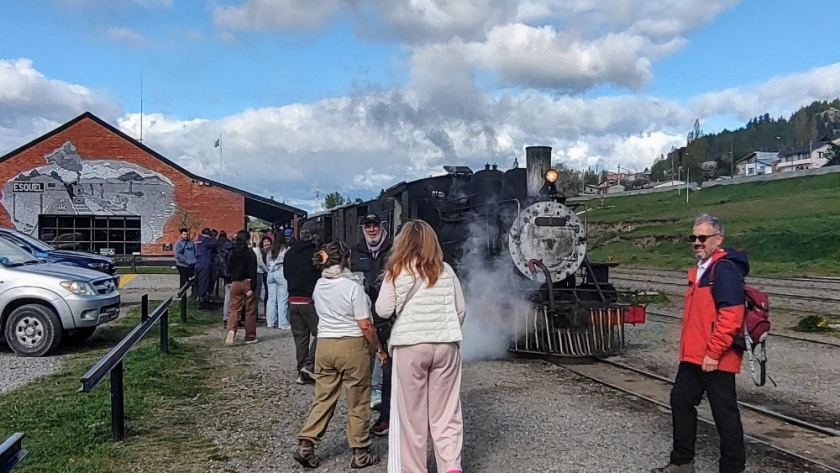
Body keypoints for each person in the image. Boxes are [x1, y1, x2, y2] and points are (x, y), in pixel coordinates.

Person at [652, 213, 747, 473]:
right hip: (694, 356)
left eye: (702, 237)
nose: (697, 242)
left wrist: (714, 352)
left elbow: (732, 317)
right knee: (680, 402)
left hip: (716, 358)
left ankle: (732, 468)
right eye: (693, 237)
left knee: (724, 414)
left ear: (718, 239)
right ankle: (682, 463)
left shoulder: (724, 270)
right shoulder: (699, 270)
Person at [374, 220, 466, 473]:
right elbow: (461, 310)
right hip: (446, 347)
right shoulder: (446, 270)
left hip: (410, 346)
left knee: (411, 416)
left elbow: (382, 310)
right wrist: (445, 331)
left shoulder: (396, 270)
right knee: (447, 412)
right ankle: (451, 467)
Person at [294, 241, 386, 469]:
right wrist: (378, 349)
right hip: (351, 345)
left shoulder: (319, 285)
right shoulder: (353, 287)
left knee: (323, 398)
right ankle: (360, 452)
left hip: (325, 346)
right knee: (358, 400)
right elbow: (365, 324)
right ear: (345, 260)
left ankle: (307, 443)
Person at [350, 213, 393, 432]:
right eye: (368, 226)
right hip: (362, 309)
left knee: (383, 353)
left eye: (375, 225)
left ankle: (379, 396)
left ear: (381, 227)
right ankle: (361, 400)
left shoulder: (392, 249)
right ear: (363, 228)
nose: (372, 229)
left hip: (386, 311)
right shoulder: (355, 251)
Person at [284, 229, 320, 384]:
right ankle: (309, 366)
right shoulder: (315, 254)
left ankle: (301, 371)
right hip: (309, 300)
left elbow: (286, 274)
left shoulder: (289, 253)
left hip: (293, 299)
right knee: (323, 332)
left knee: (300, 338)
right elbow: (319, 274)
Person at [223, 231, 259, 346]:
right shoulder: (250, 253)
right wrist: (253, 287)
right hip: (247, 282)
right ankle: (250, 337)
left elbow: (228, 267)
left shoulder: (232, 253)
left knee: (234, 309)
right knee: (250, 311)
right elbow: (253, 271)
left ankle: (231, 331)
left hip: (235, 283)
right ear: (248, 240)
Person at [265, 235, 290, 329]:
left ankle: (271, 322)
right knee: (282, 299)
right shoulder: (285, 249)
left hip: (270, 274)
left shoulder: (270, 251)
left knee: (271, 299)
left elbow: (267, 263)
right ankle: (283, 323)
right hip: (281, 273)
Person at [194, 228, 219, 305]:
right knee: (204, 282)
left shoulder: (200, 240)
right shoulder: (206, 241)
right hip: (204, 264)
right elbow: (215, 244)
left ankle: (200, 297)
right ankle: (202, 300)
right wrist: (214, 237)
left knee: (200, 281)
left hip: (198, 263)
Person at [173, 228, 195, 294]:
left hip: (192, 265)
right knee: (184, 282)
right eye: (184, 234)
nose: (186, 236)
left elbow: (194, 252)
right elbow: (178, 255)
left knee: (195, 280)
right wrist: (186, 261)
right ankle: (182, 296)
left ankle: (193, 295)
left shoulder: (191, 242)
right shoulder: (179, 243)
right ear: (181, 235)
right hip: (183, 266)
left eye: (187, 234)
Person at [254, 236, 271, 317]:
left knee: (268, 293)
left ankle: (267, 311)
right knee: (258, 292)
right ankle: (256, 313)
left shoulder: (272, 251)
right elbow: (260, 262)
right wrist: (266, 270)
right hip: (262, 273)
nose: (266, 243)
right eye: (264, 242)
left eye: (268, 241)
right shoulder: (260, 252)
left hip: (268, 274)